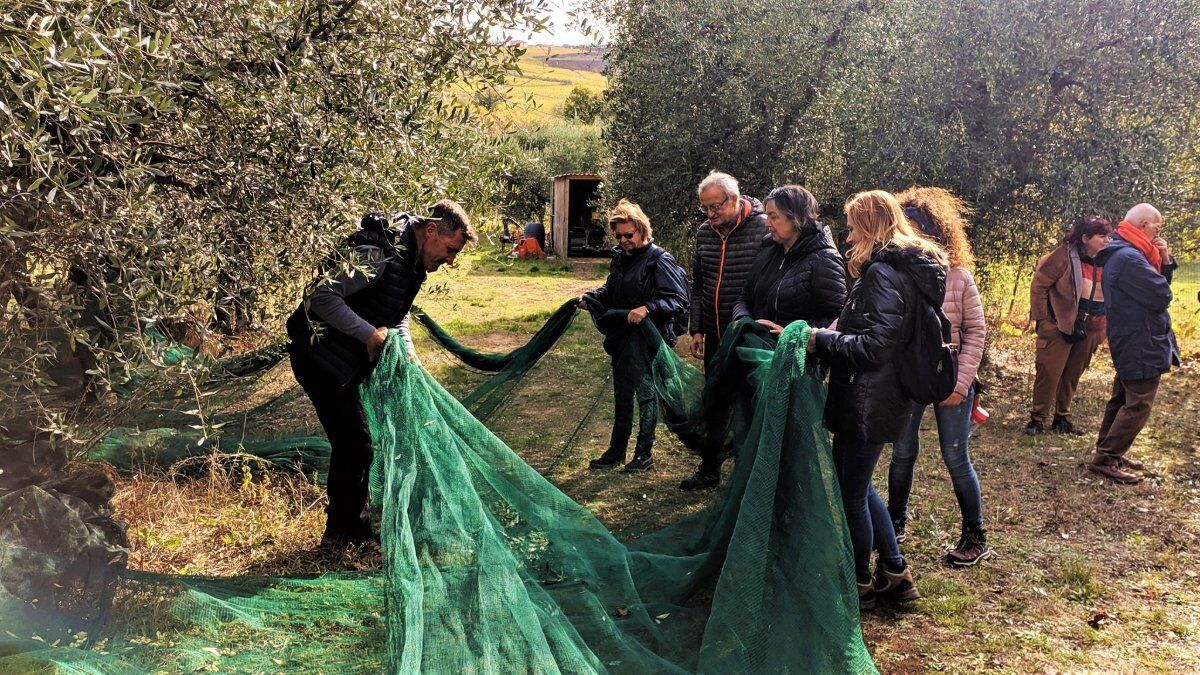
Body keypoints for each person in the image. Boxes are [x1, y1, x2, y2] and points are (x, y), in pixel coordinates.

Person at [286, 201, 475, 545]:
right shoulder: (377, 253)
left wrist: (409, 356)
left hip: (344, 360)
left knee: (354, 443)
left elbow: (395, 313)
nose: (451, 260)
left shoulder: (413, 261)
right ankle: (346, 533)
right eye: (450, 250)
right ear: (432, 231)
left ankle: (344, 529)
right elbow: (321, 297)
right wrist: (369, 335)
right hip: (318, 357)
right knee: (356, 444)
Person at [808, 189, 949, 609]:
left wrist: (823, 339)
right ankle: (895, 572)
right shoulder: (904, 268)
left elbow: (875, 347)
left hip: (869, 397)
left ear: (869, 226)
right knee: (860, 482)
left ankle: (861, 584)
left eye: (853, 225)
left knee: (850, 492)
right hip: (881, 395)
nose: (849, 233)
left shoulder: (884, 272)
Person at [886, 187, 990, 567]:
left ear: (931, 232)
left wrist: (961, 384)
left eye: (913, 227)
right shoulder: (894, 273)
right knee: (902, 453)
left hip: (951, 381)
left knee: (955, 455)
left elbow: (976, 333)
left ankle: (974, 535)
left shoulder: (960, 277)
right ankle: (895, 520)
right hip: (909, 378)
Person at [582, 199, 689, 473]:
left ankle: (644, 454)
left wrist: (649, 308)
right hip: (622, 337)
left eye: (628, 234)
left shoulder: (659, 260)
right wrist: (591, 297)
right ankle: (616, 451)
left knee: (646, 395)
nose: (623, 240)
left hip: (648, 340)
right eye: (618, 235)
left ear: (642, 230)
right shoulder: (619, 257)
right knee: (622, 395)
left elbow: (678, 300)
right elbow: (611, 291)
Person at [681, 171, 769, 490]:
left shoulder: (763, 228)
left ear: (733, 199)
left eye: (715, 207)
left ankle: (748, 478)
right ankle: (709, 469)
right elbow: (698, 285)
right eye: (705, 208)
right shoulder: (706, 233)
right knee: (715, 402)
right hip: (716, 335)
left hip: (749, 339)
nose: (710, 214)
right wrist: (698, 329)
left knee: (748, 407)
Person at [1088, 203, 1179, 483]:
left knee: (1122, 397)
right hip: (1140, 339)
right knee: (1139, 403)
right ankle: (1106, 458)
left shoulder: (1127, 254)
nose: (1158, 234)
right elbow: (1161, 294)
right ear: (1143, 226)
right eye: (1157, 228)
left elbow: (1155, 289)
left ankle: (1109, 450)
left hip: (1132, 336)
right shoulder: (1130, 258)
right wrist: (1163, 262)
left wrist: (1162, 258)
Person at [1025, 216, 1115, 436]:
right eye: (1102, 236)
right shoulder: (1063, 255)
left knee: (1073, 373)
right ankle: (1038, 418)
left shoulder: (1110, 259)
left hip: (1093, 327)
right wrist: (1045, 321)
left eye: (1109, 236)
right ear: (1085, 238)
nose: (1107, 241)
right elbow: (1039, 287)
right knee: (1049, 372)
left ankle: (1061, 418)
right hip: (1060, 325)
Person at [731, 184, 847, 333]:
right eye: (767, 216)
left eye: (773, 217)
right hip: (759, 350)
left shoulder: (824, 259)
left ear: (796, 218)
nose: (767, 223)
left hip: (797, 354)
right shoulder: (767, 250)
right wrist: (743, 322)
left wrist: (790, 333)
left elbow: (837, 319)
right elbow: (744, 298)